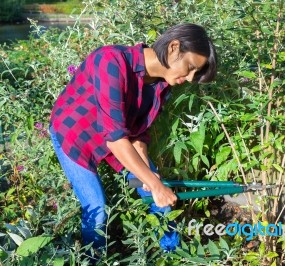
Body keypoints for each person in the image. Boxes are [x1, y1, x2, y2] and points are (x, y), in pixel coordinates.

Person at [49, 23, 217, 256]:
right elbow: (116, 139)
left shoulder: (161, 85)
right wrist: (154, 182)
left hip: (116, 137)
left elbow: (138, 133)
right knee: (96, 208)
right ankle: (93, 260)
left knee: (158, 194)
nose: (189, 78)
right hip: (75, 134)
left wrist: (150, 177)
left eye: (194, 73)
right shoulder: (111, 61)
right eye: (189, 67)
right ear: (173, 47)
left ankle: (171, 255)